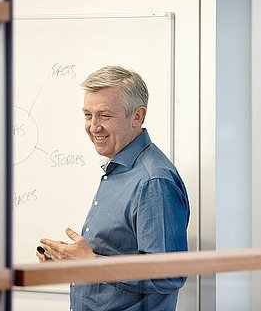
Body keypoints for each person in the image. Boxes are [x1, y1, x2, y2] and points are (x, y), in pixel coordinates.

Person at [37, 65, 190, 311]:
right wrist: (72, 260)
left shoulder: (153, 181)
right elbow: (113, 252)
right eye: (88, 115)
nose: (93, 127)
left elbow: (169, 275)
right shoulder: (117, 170)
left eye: (104, 116)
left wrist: (90, 261)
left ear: (137, 116)